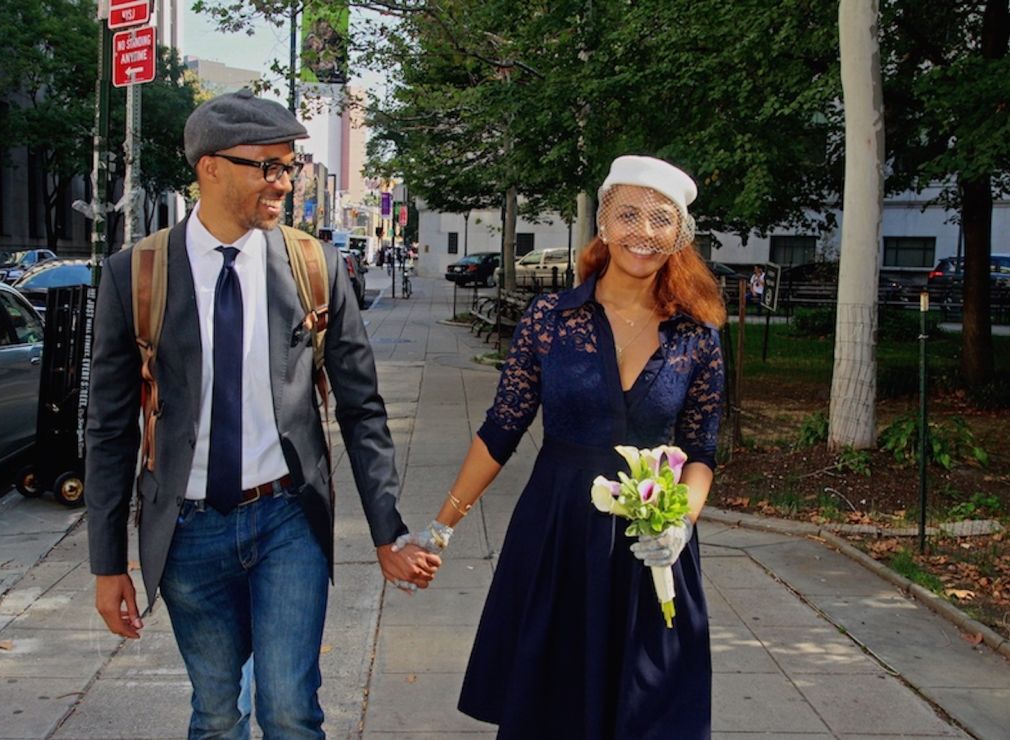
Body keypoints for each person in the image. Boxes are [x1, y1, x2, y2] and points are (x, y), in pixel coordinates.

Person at [85, 88, 440, 739]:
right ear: (210, 167)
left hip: (286, 518)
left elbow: (362, 409)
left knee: (288, 709)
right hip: (188, 531)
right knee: (217, 711)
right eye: (267, 166)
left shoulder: (315, 266)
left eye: (289, 167)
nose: (282, 182)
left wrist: (388, 530)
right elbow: (109, 430)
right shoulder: (133, 276)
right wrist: (108, 564)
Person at [397, 155, 726, 738]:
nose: (642, 233)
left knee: (649, 710)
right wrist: (440, 529)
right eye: (628, 214)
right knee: (551, 711)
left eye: (659, 219)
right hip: (556, 535)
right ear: (603, 222)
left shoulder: (695, 335)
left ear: (679, 234)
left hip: (650, 545)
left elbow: (701, 450)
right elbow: (501, 429)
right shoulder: (550, 318)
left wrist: (682, 522)